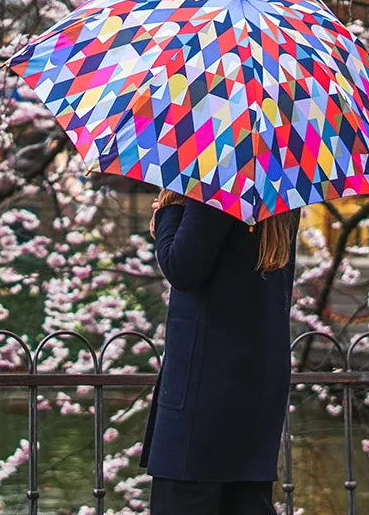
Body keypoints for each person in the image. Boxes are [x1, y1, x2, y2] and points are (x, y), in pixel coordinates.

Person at [140, 188, 302, 515]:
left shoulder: (219, 181)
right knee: (244, 501)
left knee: (185, 501)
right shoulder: (284, 193)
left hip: (203, 391)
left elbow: (183, 267)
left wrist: (167, 214)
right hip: (257, 384)